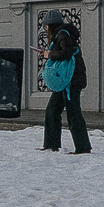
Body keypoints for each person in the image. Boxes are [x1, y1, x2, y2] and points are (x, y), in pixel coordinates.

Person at [38, 10, 91, 153]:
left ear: (50, 25)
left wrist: (48, 54)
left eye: (46, 26)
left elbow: (66, 52)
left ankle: (83, 147)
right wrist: (46, 53)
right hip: (65, 80)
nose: (45, 29)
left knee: (73, 113)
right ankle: (51, 144)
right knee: (52, 110)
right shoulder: (61, 35)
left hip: (70, 81)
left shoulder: (62, 34)